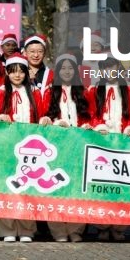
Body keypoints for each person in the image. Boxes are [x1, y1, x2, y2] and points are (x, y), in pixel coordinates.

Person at [0, 54, 40, 242]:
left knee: (28, 188)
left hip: (30, 147)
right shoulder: (0, 92)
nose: (17, 75)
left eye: (21, 72)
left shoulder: (34, 93)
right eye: (13, 71)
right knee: (8, 187)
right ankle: (7, 229)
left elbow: (40, 116)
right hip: (7, 147)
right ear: (7, 73)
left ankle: (26, 229)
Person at [40, 53, 93, 242]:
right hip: (56, 148)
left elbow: (91, 117)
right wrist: (55, 124)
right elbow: (43, 118)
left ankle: (76, 229)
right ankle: (58, 231)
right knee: (55, 189)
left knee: (78, 189)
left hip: (79, 148)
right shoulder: (49, 92)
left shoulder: (83, 92)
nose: (67, 71)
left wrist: (88, 127)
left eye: (71, 68)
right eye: (63, 68)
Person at [89, 57, 130, 241]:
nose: (109, 71)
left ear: (118, 67)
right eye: (105, 68)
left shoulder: (129, 89)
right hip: (101, 145)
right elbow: (92, 115)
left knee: (122, 188)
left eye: (112, 67)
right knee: (102, 188)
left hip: (122, 145)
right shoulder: (94, 90)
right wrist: (98, 126)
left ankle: (119, 226)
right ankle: (102, 226)